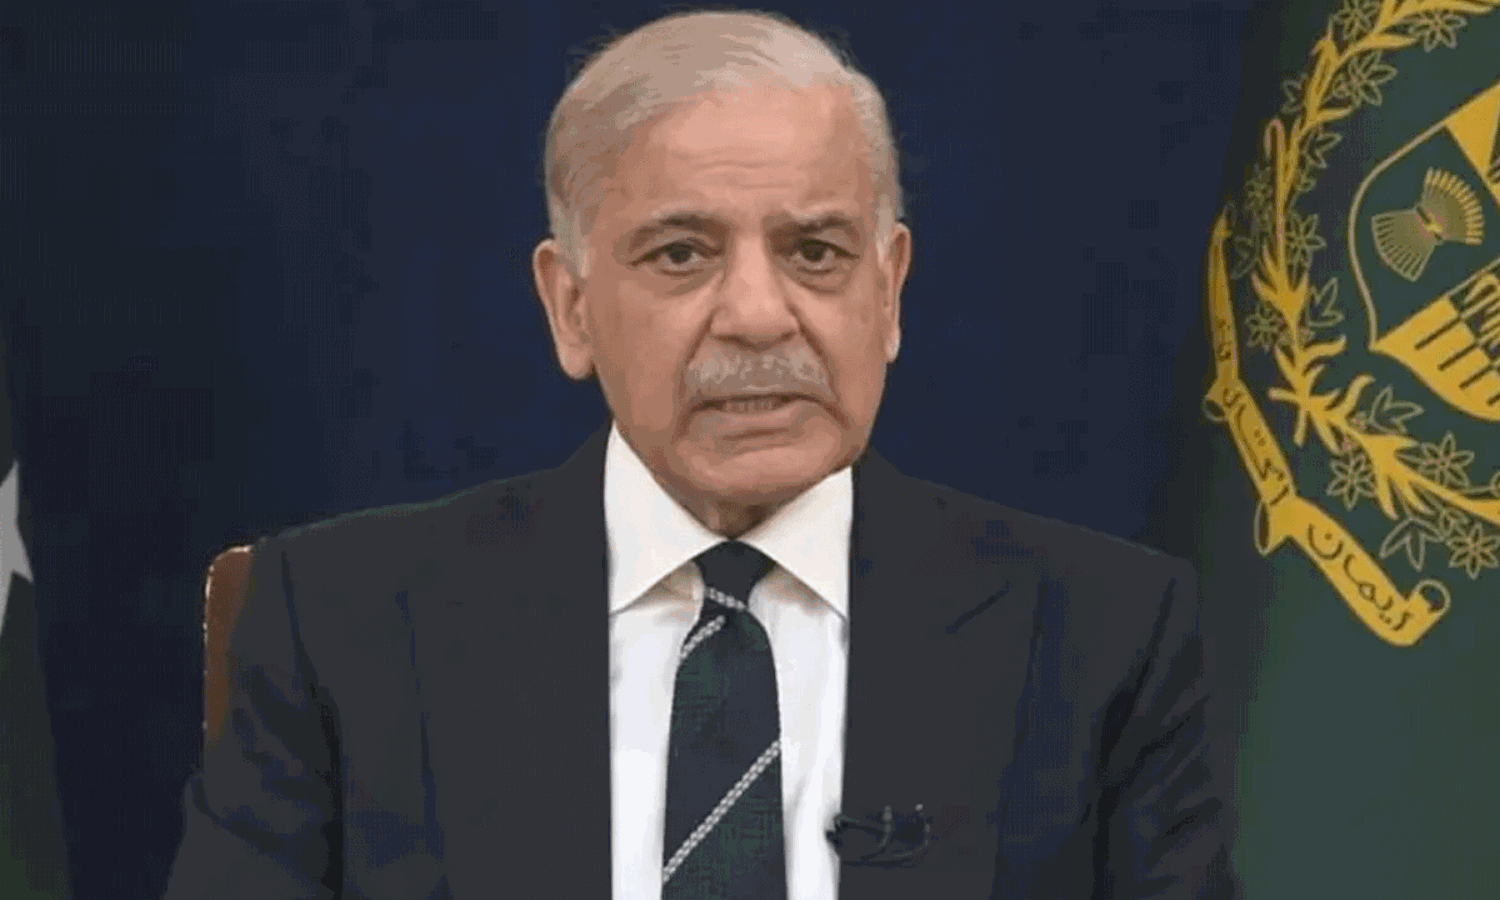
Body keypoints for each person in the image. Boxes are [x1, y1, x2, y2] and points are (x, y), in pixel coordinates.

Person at [164, 9, 1234, 899]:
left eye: (816, 251)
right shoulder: (338, 625)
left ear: (890, 292)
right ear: (570, 307)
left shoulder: (1106, 638)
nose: (759, 315)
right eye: (682, 254)